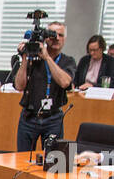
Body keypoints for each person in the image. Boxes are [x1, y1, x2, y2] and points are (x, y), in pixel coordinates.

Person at [13, 20, 75, 153]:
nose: (57, 38)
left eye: (61, 35)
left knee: (53, 160)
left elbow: (65, 82)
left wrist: (47, 57)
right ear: (46, 38)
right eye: (53, 35)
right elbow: (19, 86)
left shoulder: (67, 61)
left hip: (53, 118)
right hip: (29, 116)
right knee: (21, 159)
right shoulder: (32, 59)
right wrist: (25, 58)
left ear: (65, 39)